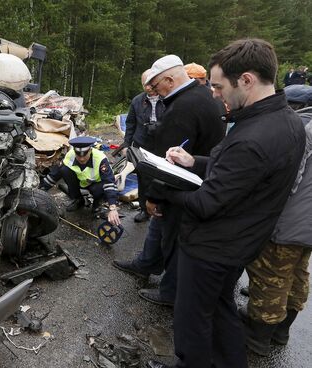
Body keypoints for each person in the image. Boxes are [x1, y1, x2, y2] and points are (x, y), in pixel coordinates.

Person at [145, 38, 306, 368]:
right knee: (220, 311)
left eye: (218, 87)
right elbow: (240, 173)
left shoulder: (254, 136)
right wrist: (194, 162)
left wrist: (161, 180)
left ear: (246, 80)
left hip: (212, 247)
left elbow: (206, 203)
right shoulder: (285, 119)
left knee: (192, 320)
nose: (214, 94)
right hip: (239, 242)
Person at [113, 55, 225, 308]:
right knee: (159, 230)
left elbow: (169, 164)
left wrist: (154, 197)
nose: (154, 91)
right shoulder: (202, 95)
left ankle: (171, 292)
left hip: (183, 185)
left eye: (156, 85)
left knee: (174, 237)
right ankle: (147, 263)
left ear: (170, 79)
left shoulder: (182, 107)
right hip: (199, 178)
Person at [242, 90, 312, 357]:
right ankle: (282, 330)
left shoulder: (304, 128)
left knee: (271, 275)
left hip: (293, 218)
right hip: (307, 225)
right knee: (297, 271)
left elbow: (291, 178)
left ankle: (258, 336)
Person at [40, 136, 121, 226]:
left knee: (98, 190)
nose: (82, 159)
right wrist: (41, 190)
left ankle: (97, 203)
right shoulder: (70, 155)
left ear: (90, 151)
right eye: (78, 155)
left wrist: (112, 208)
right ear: (75, 152)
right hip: (81, 182)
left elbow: (109, 182)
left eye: (85, 155)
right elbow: (55, 174)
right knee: (64, 170)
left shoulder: (100, 158)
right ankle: (78, 199)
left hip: (97, 184)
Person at [122, 69, 166, 222]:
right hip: (142, 144)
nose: (148, 87)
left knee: (162, 176)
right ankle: (144, 209)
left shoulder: (167, 98)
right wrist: (127, 145)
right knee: (143, 177)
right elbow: (130, 123)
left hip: (162, 145)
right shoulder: (137, 101)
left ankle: (161, 207)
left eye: (150, 83)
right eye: (144, 84)